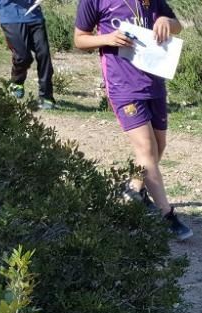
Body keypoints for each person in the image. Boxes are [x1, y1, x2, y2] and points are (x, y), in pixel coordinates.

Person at [73, 0, 192, 240]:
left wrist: (166, 21)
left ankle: (133, 189)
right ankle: (166, 216)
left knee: (159, 146)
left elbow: (177, 25)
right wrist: (107, 39)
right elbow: (79, 39)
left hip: (154, 80)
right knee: (146, 149)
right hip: (122, 85)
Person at [0, 0, 55, 110]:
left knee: (44, 54)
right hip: (11, 15)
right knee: (23, 57)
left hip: (34, 15)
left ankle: (46, 96)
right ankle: (17, 82)